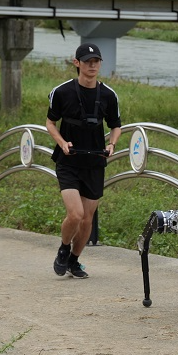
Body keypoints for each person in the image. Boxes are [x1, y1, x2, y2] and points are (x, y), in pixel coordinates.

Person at [45, 42, 122, 279]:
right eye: (87, 62)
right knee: (76, 214)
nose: (92, 66)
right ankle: (64, 247)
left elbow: (116, 126)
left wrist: (112, 143)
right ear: (76, 63)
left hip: (94, 161)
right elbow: (50, 123)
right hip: (69, 161)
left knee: (87, 220)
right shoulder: (61, 92)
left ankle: (74, 261)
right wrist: (61, 142)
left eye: (96, 61)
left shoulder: (109, 95)